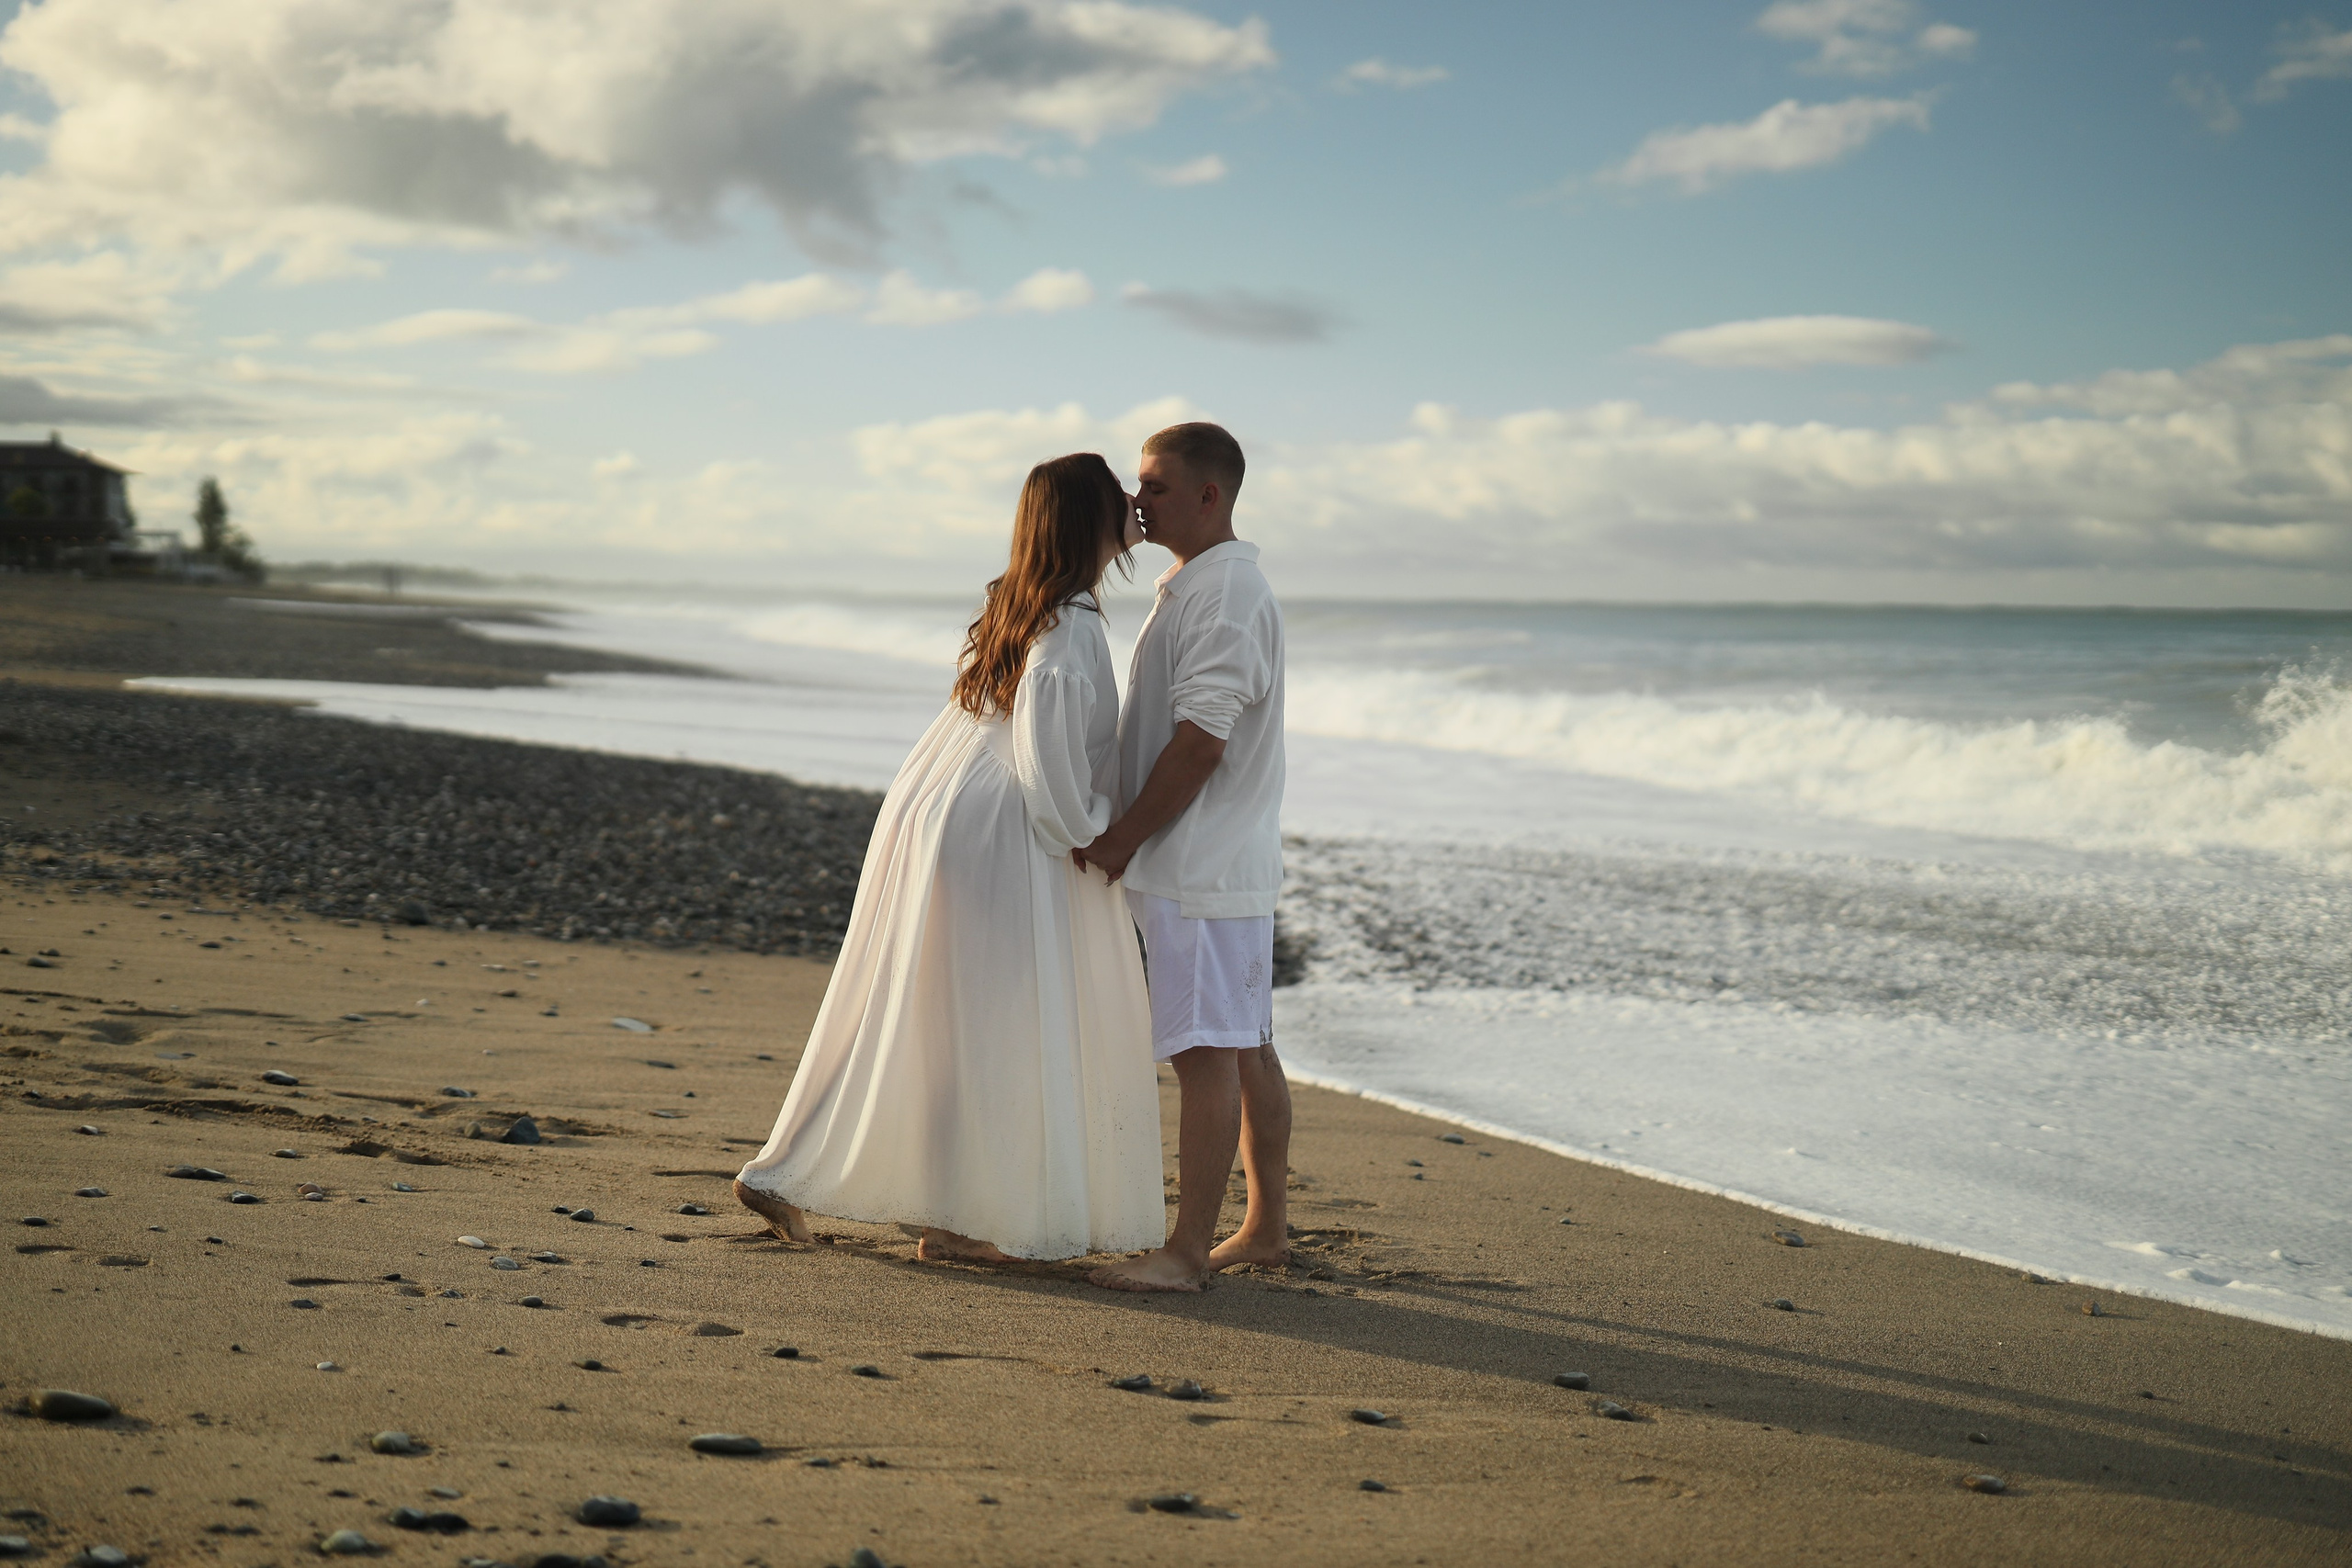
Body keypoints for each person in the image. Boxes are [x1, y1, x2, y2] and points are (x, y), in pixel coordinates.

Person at [733, 453, 1164, 1263]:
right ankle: (958, 1225)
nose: (1136, 504)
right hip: (998, 829)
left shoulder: (1025, 605)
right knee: (992, 1022)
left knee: (922, 1014)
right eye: (1121, 495)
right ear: (1089, 518)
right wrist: (1101, 833)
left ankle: (794, 1173)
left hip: (945, 809)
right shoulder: (1071, 628)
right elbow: (1049, 771)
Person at [1078, 422, 1291, 1293]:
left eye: (1156, 486)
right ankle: (1265, 1228)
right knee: (1245, 1046)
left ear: (1211, 495)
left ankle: (1185, 1252)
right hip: (1219, 863)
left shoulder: (1227, 591)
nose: (1139, 499)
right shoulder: (1198, 581)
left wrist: (1123, 837)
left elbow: (1203, 741)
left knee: (1210, 1051)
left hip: (1199, 865)